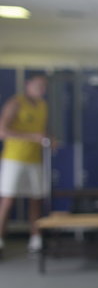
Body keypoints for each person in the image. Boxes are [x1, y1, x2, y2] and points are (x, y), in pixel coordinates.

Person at [0, 73, 52, 257]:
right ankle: (0, 240)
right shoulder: (16, 103)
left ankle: (36, 240)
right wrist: (32, 137)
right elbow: (2, 131)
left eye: (44, 86)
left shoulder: (43, 106)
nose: (42, 90)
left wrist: (48, 140)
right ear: (28, 85)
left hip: (35, 160)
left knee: (36, 199)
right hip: (14, 158)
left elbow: (41, 131)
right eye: (38, 85)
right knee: (8, 200)